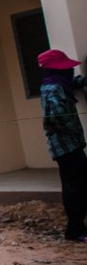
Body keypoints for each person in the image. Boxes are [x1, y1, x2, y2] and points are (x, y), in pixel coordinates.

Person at [37, 48, 87, 242]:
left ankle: (76, 228)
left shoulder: (57, 84)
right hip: (66, 146)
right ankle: (75, 230)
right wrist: (72, 132)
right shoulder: (53, 88)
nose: (69, 71)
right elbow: (57, 116)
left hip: (68, 144)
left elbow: (70, 85)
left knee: (76, 184)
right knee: (75, 187)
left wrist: (82, 81)